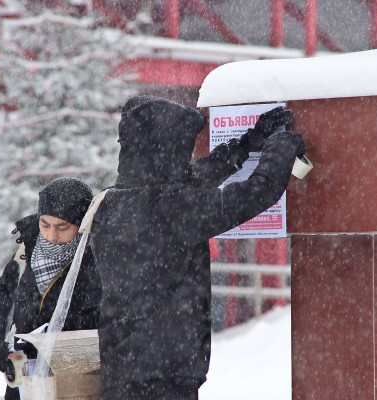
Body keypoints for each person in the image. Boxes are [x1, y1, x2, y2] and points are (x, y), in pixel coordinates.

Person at [90, 95, 305, 399]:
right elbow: (255, 193)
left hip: (123, 366)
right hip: (166, 373)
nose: (186, 157)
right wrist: (281, 148)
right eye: (182, 149)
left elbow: (193, 179)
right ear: (164, 150)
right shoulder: (170, 206)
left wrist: (246, 145)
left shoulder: (113, 202)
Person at [0, 177, 101, 400]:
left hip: (76, 387)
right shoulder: (25, 253)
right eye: (45, 224)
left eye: (62, 227)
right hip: (24, 385)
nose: (52, 236)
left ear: (82, 225)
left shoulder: (98, 261)